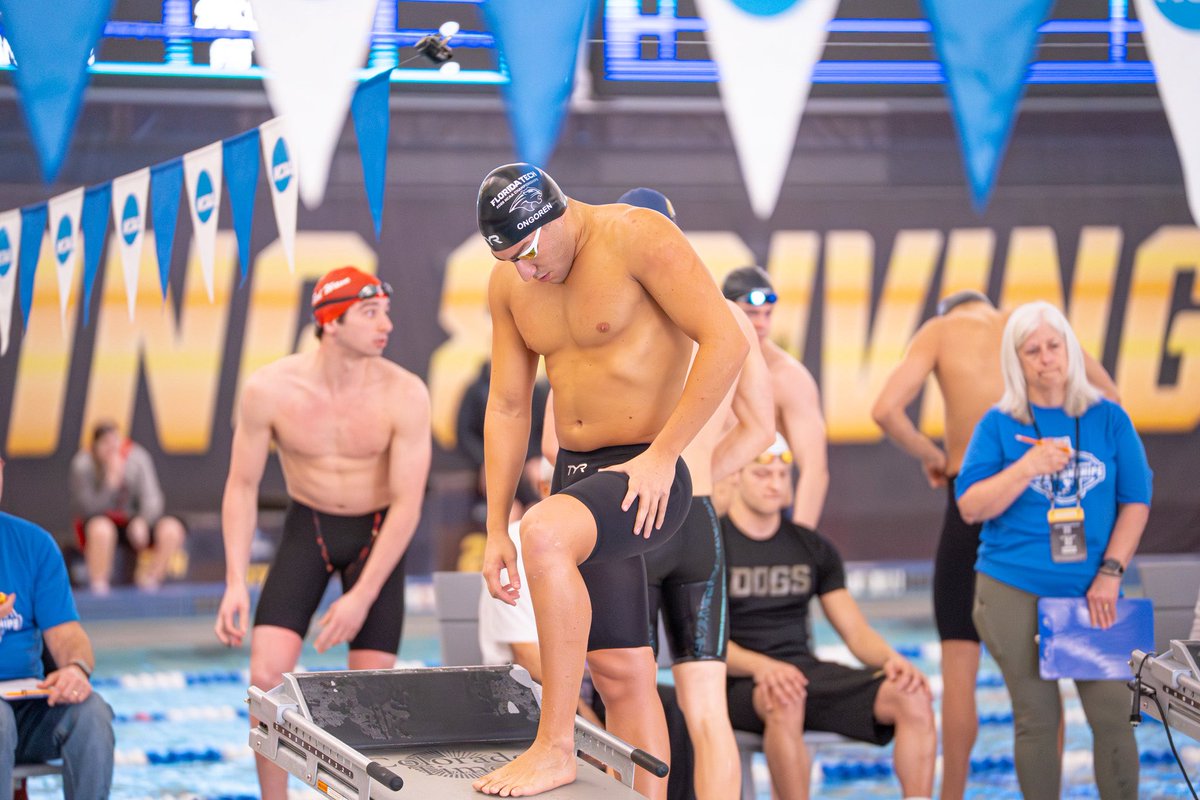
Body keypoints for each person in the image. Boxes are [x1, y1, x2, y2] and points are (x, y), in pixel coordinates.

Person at [474, 163, 748, 798]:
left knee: (542, 532)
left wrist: (664, 453)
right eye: (511, 259)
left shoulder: (637, 237)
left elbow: (725, 341)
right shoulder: (511, 285)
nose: (526, 271)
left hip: (650, 470)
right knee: (622, 672)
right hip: (577, 472)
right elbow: (509, 406)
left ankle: (554, 746)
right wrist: (493, 529)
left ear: (558, 213)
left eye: (531, 253)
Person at [870, 290, 1118, 799]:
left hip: (973, 498)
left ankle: (952, 794)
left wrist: (932, 455)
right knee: (1050, 665)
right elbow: (1110, 399)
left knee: (959, 665)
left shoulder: (939, 332)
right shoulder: (1033, 327)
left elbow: (886, 410)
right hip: (1045, 505)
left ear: (948, 312)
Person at [214, 266, 431, 800]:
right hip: (307, 527)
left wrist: (362, 595)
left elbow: (407, 504)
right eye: (370, 312)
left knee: (373, 700)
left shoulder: (405, 393)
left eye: (385, 310)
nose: (387, 324)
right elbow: (241, 486)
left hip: (377, 536)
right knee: (265, 675)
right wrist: (235, 581)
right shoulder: (269, 389)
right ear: (330, 322)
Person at [956, 300, 1151, 800]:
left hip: (1093, 589)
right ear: (1016, 361)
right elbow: (971, 507)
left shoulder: (1108, 418)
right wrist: (1026, 467)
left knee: (1113, 714)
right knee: (1036, 718)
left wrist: (1111, 572)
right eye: (1032, 350)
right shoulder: (998, 425)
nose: (1046, 358)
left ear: (1070, 348)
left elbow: (1136, 500)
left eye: (1053, 345)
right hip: (1011, 585)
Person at [619, 186, 774, 800]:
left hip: (627, 522)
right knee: (709, 713)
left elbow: (555, 443)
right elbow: (761, 427)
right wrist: (703, 464)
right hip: (698, 519)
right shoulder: (726, 314)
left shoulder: (607, 310)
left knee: (631, 700)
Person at [723, 436, 936, 800]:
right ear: (736, 476)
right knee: (787, 697)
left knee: (911, 697)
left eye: (782, 474)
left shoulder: (812, 547)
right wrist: (762, 667)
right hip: (739, 682)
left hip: (802, 674)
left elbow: (854, 631)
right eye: (762, 474)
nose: (775, 483)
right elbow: (702, 643)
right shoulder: (714, 546)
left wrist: (892, 661)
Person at [0, 454, 115, 799]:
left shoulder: (34, 545)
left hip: (28, 712)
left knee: (91, 713)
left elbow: (67, 635)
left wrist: (76, 670)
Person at [721, 266, 828, 528]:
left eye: (767, 314)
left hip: (767, 524)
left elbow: (815, 470)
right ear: (726, 311)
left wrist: (802, 542)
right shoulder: (703, 365)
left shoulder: (787, 378)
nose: (761, 323)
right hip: (714, 516)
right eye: (751, 314)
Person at [69, 419, 187, 594]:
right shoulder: (83, 463)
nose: (111, 449)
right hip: (102, 523)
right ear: (95, 446)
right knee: (101, 529)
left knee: (172, 529)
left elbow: (153, 498)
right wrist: (110, 483)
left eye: (114, 442)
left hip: (135, 523)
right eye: (105, 444)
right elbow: (87, 508)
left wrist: (143, 521)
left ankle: (151, 582)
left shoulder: (137, 458)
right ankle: (99, 588)